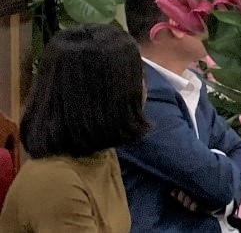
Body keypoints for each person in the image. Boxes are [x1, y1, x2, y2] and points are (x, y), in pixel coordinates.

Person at [118, 0, 241, 233]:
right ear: (175, 23)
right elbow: (216, 184)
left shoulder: (187, 85)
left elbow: (239, 150)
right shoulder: (141, 95)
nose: (210, 18)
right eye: (201, 8)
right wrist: (213, 182)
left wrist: (217, 194)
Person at [0, 23, 150, 232]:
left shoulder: (103, 155)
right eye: (136, 77)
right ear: (103, 97)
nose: (144, 86)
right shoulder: (57, 181)